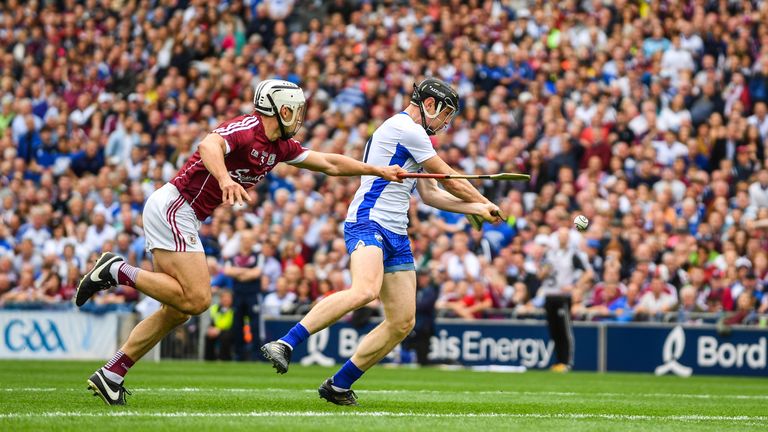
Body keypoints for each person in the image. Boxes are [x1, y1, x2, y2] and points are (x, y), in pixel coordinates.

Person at [75, 79, 405, 405]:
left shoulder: (281, 146)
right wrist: (223, 178)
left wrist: (376, 170)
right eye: (297, 110)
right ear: (282, 109)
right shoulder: (248, 128)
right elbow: (208, 145)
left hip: (179, 212)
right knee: (198, 300)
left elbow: (329, 163)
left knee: (177, 310)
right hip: (176, 206)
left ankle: (112, 374)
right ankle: (116, 271)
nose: (301, 117)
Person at [261, 77, 503, 405]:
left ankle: (339, 385)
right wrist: (482, 201)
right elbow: (449, 178)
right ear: (428, 105)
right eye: (445, 113)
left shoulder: (417, 139)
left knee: (403, 321)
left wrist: (475, 208)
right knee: (365, 290)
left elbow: (432, 194)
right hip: (367, 221)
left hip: (397, 233)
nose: (447, 122)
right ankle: (286, 342)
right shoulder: (408, 129)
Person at [204, 289, 234, 361]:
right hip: (218, 330)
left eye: (228, 297)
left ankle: (224, 359)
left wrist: (219, 330)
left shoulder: (235, 309)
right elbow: (212, 321)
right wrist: (211, 329)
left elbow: (234, 324)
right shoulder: (215, 308)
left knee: (225, 336)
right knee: (208, 336)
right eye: (223, 297)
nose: (226, 299)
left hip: (231, 330)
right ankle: (209, 360)